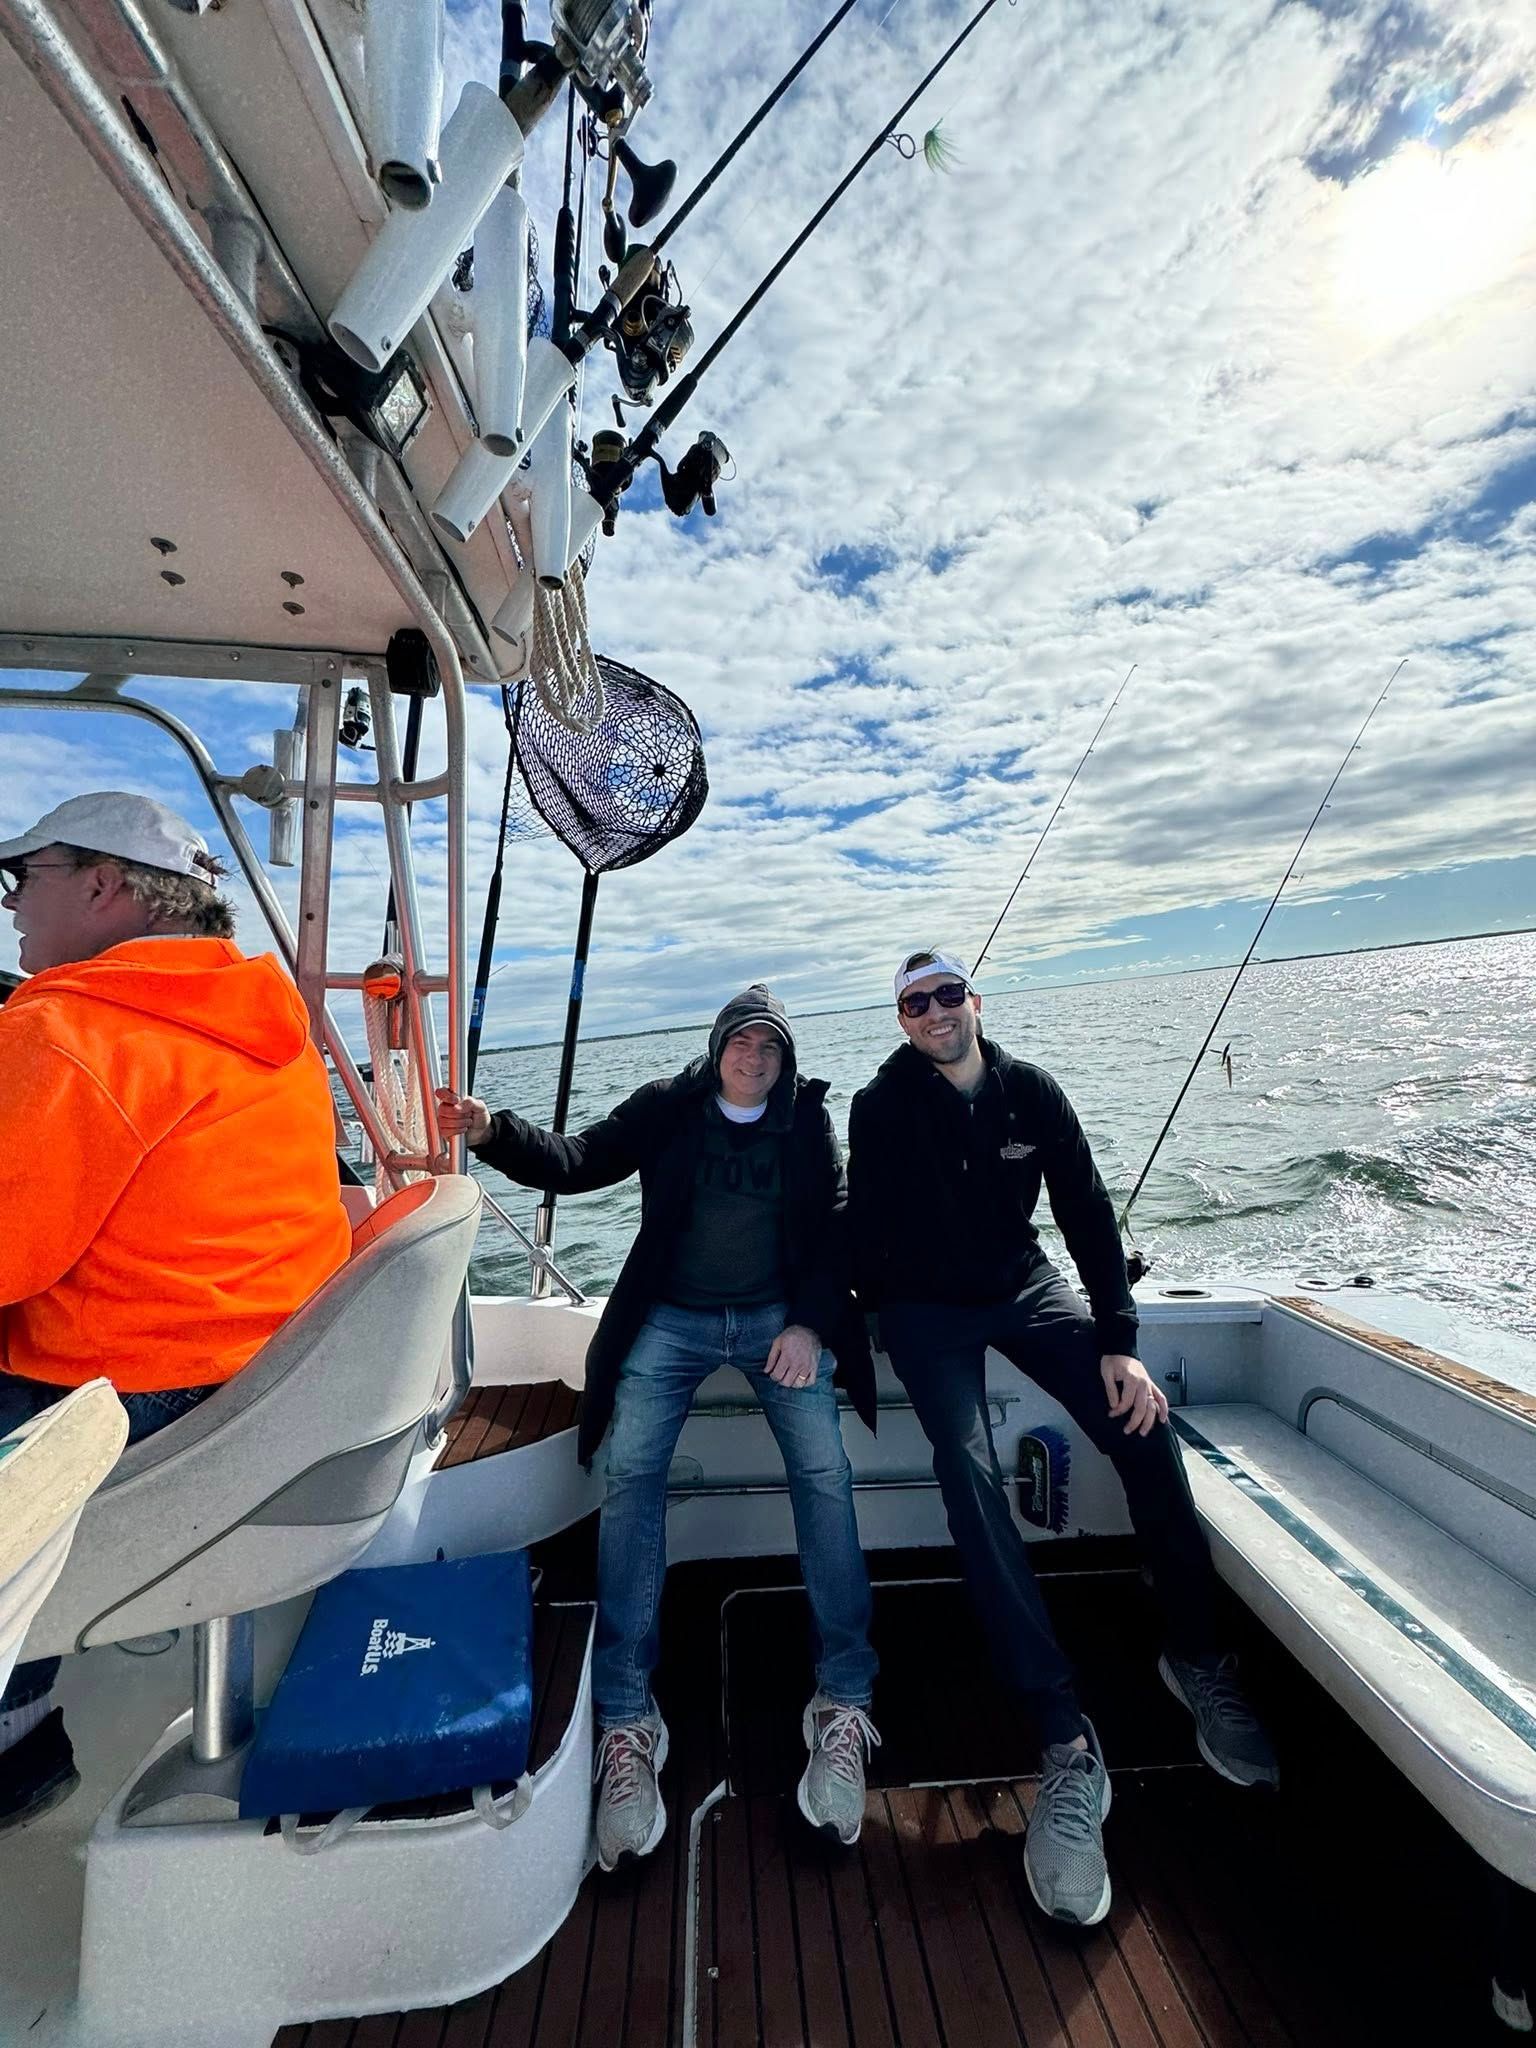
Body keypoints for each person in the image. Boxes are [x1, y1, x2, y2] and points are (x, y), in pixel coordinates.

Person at [847, 947, 1276, 1929]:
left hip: (1027, 1289)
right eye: (917, 1002)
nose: (937, 1010)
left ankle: (1197, 1656)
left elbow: (1085, 1211)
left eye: (949, 993)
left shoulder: (1030, 1090)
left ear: (974, 1001)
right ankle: (1060, 1730)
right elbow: (859, 1220)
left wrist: (1120, 1342)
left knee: (1143, 1422)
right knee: (967, 1470)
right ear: (903, 1019)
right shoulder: (882, 1104)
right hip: (923, 1312)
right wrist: (851, 1322)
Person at [436, 985, 880, 1869]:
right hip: (671, 1320)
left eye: (772, 1048)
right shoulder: (668, 1108)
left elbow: (836, 1233)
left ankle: (843, 1701)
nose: (756, 1058)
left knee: (826, 1474)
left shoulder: (805, 1122)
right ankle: (629, 1719)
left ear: (784, 1061)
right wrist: (491, 1130)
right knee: (632, 1477)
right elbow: (579, 1159)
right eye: (743, 1043)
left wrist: (809, 1325)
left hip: (775, 1322)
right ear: (717, 1046)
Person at [0, 792, 352, 1829]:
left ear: (104, 884)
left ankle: (13, 1737)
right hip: (262, 1371)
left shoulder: (67, 1029)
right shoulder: (265, 1021)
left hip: (135, 1394)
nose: (15, 909)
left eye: (25, 879)